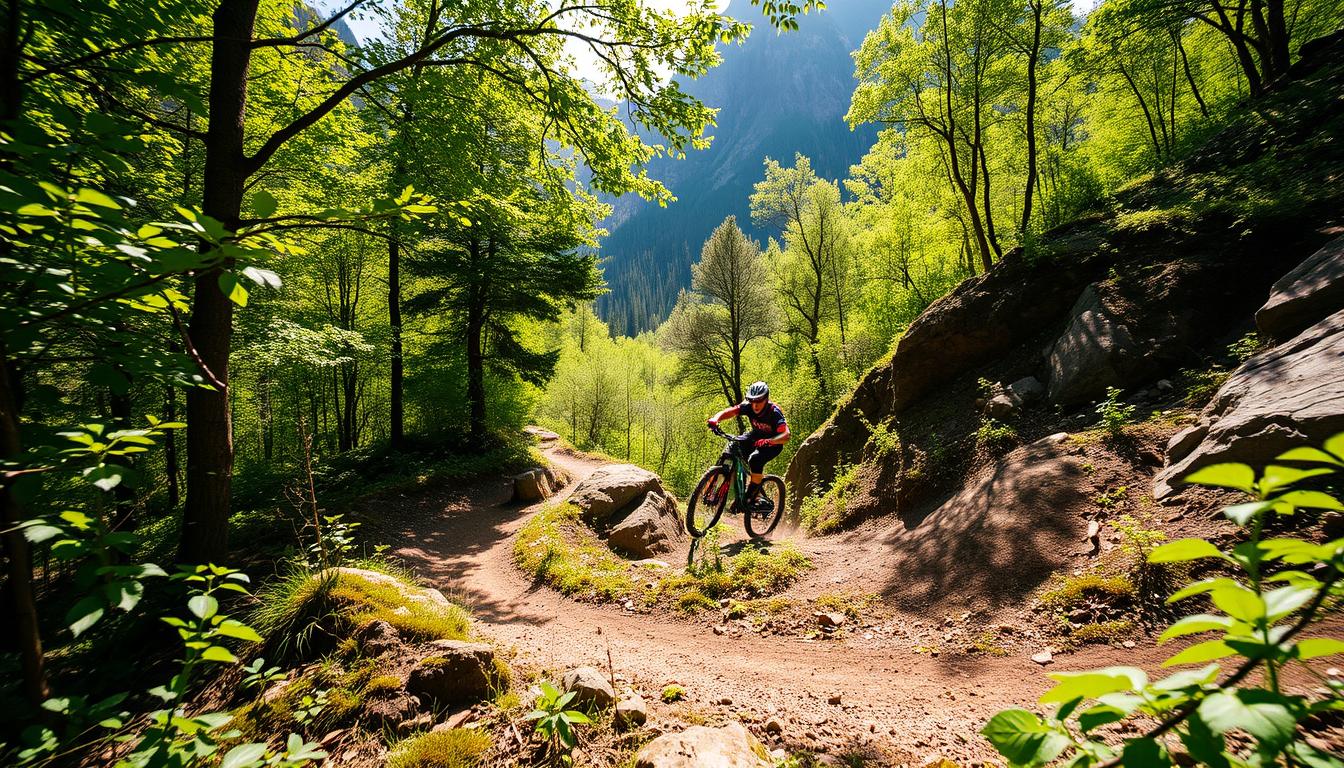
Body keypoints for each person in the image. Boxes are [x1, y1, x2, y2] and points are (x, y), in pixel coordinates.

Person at [706, 381, 790, 511]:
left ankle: (750, 497)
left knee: (755, 460)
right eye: (752, 401)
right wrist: (716, 419)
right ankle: (713, 487)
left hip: (773, 444)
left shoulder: (774, 412)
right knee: (733, 448)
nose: (755, 405)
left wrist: (770, 441)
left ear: (766, 399)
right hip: (755, 436)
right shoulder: (749, 406)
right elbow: (732, 411)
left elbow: (786, 435)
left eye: (759, 401)